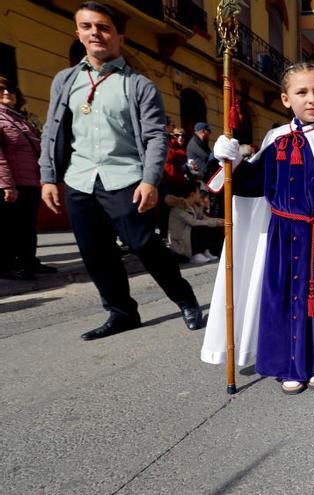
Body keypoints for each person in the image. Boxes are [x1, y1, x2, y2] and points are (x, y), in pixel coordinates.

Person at [200, 62, 314, 394]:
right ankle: (288, 365)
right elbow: (253, 184)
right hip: (281, 236)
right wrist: (229, 160)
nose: (312, 99)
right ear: (285, 99)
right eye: (302, 92)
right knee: (282, 297)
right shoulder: (276, 139)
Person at [39, 2, 202, 340]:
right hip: (79, 179)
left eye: (102, 27)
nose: (95, 33)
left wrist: (149, 179)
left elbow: (155, 136)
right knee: (96, 252)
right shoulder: (65, 81)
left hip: (125, 178)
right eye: (87, 27)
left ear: (118, 36)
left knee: (145, 245)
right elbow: (52, 132)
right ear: (79, 34)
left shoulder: (139, 85)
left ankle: (184, 297)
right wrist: (48, 177)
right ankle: (121, 312)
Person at [0, 75, 56, 280]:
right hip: (11, 184)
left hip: (30, 182)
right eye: (1, 90)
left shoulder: (21, 120)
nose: (7, 93)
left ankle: (28, 262)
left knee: (27, 225)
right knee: (9, 227)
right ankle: (6, 266)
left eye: (11, 90)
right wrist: (7, 184)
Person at [166, 182, 223, 263]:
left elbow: (206, 218)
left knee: (211, 226)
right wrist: (215, 222)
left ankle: (205, 251)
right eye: (198, 192)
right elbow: (193, 222)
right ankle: (196, 254)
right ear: (192, 194)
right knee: (200, 227)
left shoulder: (193, 206)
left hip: (187, 238)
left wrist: (219, 221)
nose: (200, 195)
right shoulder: (179, 207)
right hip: (180, 243)